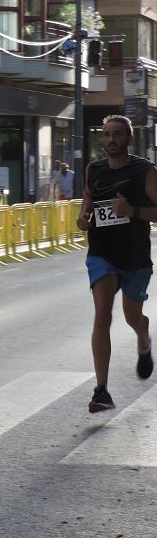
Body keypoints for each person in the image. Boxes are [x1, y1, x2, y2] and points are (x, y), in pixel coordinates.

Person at [76, 114, 157, 413]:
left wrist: (132, 210)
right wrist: (84, 215)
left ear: (128, 139)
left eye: (117, 135)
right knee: (101, 314)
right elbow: (88, 195)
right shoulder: (94, 169)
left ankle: (143, 339)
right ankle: (101, 391)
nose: (111, 139)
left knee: (132, 316)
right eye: (107, 134)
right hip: (102, 252)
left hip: (135, 257)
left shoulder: (145, 171)